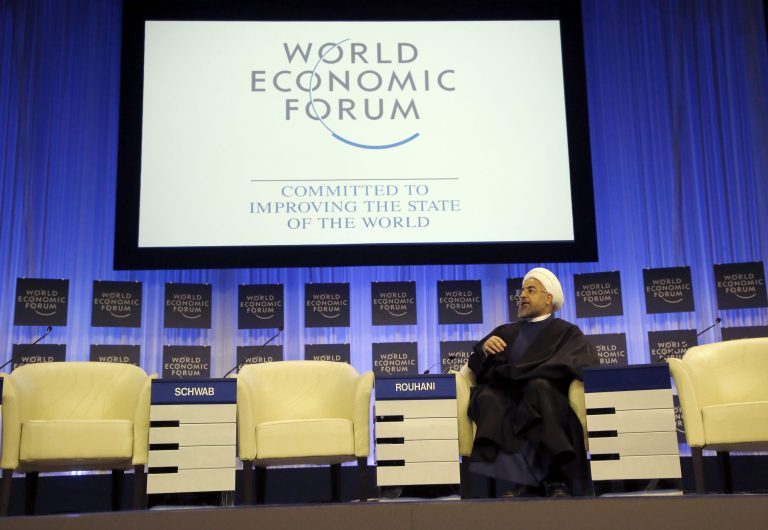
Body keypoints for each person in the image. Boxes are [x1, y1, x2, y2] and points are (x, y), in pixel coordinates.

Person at [467, 267, 598, 497]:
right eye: (521, 291)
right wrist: (485, 350)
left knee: (538, 388)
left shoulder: (566, 331)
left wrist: (526, 374)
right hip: (509, 396)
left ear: (549, 298)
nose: (522, 296)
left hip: (547, 397)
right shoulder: (505, 331)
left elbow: (580, 362)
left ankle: (557, 479)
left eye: (531, 290)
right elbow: (477, 365)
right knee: (488, 398)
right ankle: (525, 478)